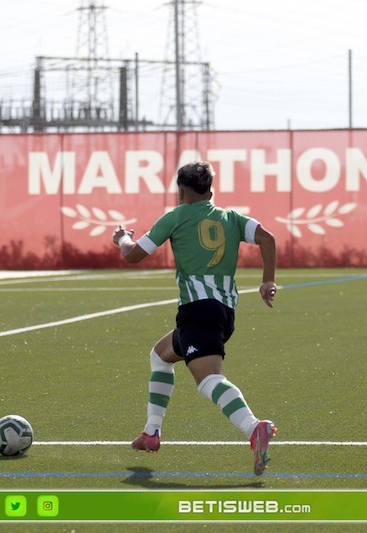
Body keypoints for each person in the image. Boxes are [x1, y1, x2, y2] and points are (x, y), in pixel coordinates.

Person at [112, 160, 279, 475]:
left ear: (180, 192)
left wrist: (120, 238)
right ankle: (151, 432)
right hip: (223, 312)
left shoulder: (174, 218)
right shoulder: (230, 218)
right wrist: (267, 280)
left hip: (197, 308)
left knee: (208, 379)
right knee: (161, 355)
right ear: (211, 191)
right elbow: (267, 239)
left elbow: (133, 254)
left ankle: (253, 427)